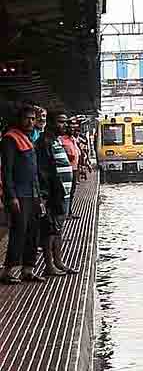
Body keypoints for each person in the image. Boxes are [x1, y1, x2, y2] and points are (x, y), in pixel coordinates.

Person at [1, 106, 44, 283]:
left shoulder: (28, 139)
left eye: (33, 119)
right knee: (19, 232)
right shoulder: (10, 139)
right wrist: (11, 196)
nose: (30, 122)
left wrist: (39, 196)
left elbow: (33, 171)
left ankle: (28, 269)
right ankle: (8, 271)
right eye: (27, 118)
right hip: (19, 194)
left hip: (32, 194)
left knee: (33, 232)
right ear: (19, 119)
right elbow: (7, 171)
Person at [35, 113, 77, 276]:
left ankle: (58, 262)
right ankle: (49, 265)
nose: (64, 125)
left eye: (66, 122)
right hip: (54, 194)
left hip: (62, 193)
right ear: (51, 123)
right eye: (60, 122)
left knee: (58, 228)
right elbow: (44, 171)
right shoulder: (44, 142)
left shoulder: (55, 140)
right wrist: (46, 195)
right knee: (50, 229)